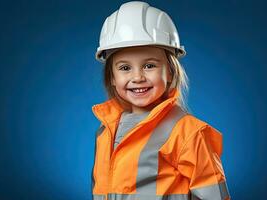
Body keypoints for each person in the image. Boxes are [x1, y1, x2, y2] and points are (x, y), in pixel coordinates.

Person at [91, 1, 230, 200]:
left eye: (149, 65)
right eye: (124, 68)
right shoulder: (105, 131)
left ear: (170, 73)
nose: (137, 77)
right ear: (112, 78)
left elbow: (214, 196)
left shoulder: (189, 133)